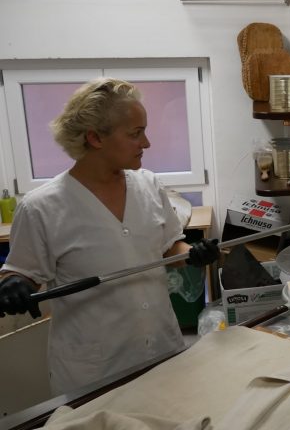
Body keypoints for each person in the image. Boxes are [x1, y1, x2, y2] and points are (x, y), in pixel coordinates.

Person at [0, 78, 220, 395]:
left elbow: (170, 247)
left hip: (162, 351)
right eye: (135, 134)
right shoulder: (42, 208)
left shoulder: (149, 186)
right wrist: (13, 285)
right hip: (94, 371)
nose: (146, 143)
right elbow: (21, 274)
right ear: (95, 138)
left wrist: (193, 253)